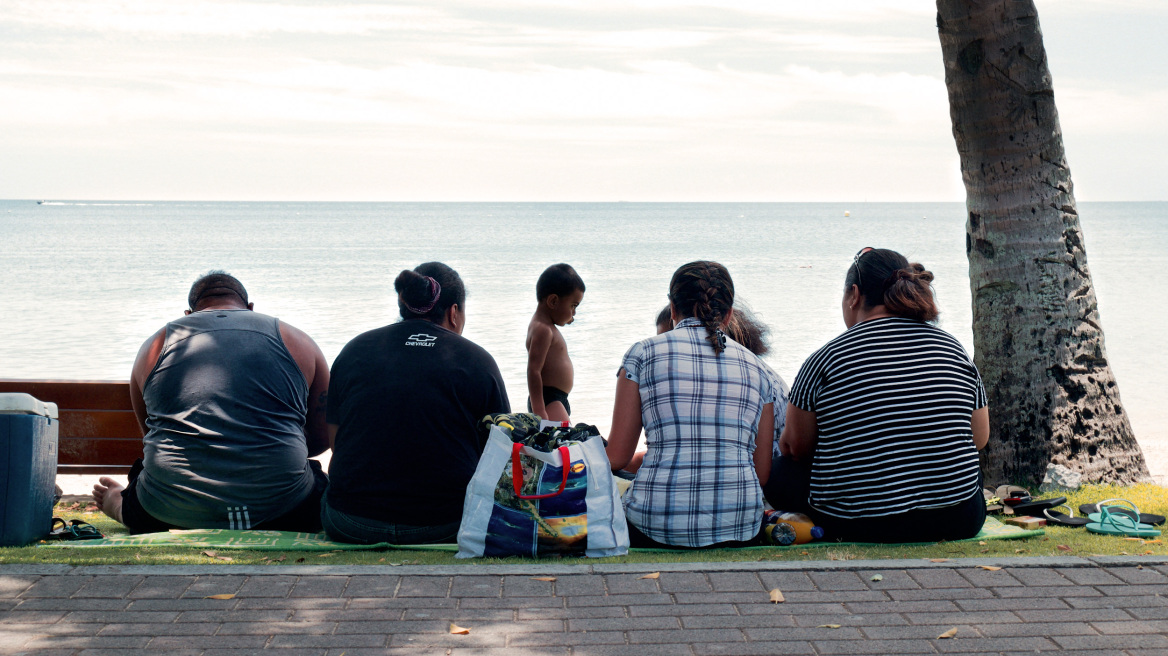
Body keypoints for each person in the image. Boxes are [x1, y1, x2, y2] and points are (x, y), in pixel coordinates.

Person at [766, 248, 990, 543]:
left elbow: (796, 449)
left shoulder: (827, 358)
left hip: (856, 523)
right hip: (958, 518)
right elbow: (979, 438)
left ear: (854, 295)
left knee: (781, 471)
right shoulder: (953, 349)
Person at [92, 271, 330, 533]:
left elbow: (152, 435)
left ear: (188, 314)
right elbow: (322, 437)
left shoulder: (153, 347)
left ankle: (118, 504)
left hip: (168, 511)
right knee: (317, 482)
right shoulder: (297, 340)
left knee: (143, 480)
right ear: (250, 308)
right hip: (286, 508)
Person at [323, 262, 510, 544]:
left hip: (351, 522)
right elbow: (499, 452)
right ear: (454, 312)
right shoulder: (477, 360)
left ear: (404, 303)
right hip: (448, 523)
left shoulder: (354, 350)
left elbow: (337, 443)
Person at [607, 261, 776, 548]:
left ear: (672, 308)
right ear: (730, 314)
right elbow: (760, 474)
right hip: (740, 524)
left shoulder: (643, 354)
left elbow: (617, 458)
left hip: (656, 524)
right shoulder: (759, 370)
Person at [526, 263, 585, 422]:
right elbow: (533, 371)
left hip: (556, 398)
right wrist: (539, 409)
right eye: (573, 306)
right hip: (548, 399)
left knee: (562, 440)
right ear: (553, 301)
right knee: (564, 440)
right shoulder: (543, 330)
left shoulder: (546, 327)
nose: (573, 313)